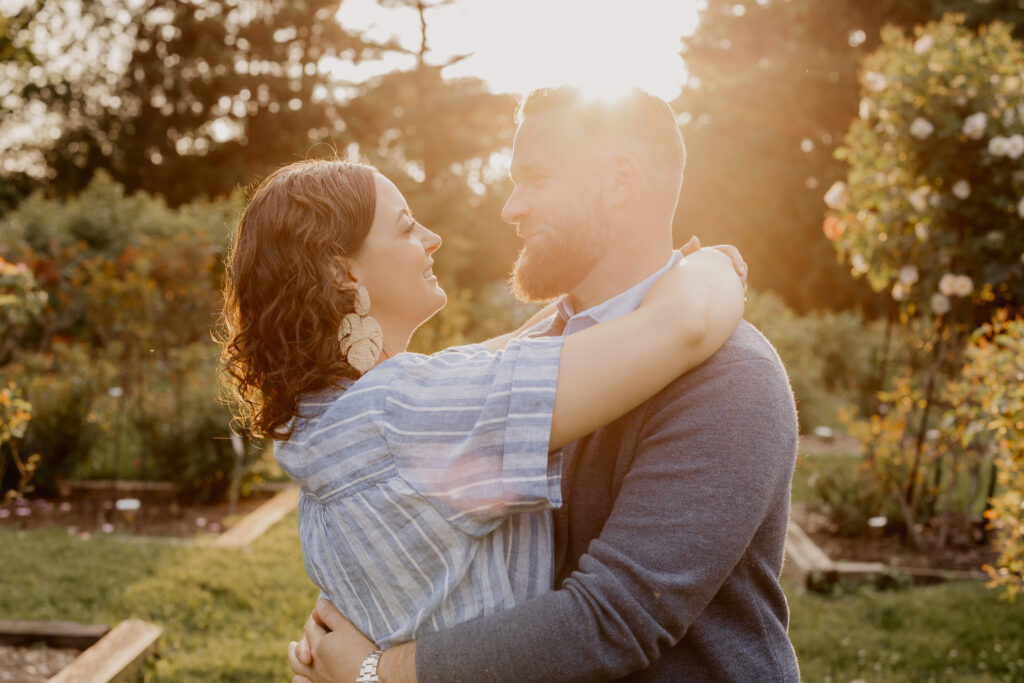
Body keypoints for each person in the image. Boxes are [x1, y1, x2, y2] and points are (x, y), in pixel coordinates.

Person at [288, 86, 800, 682]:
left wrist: (378, 672)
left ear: (619, 182)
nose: (511, 207)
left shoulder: (731, 376)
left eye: (535, 178)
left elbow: (615, 619)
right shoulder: (529, 359)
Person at [219, 158, 747, 660]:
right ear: (342, 273)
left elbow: (509, 351)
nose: (432, 238)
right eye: (406, 229)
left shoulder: (323, 422)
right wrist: (713, 266)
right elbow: (686, 326)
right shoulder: (402, 410)